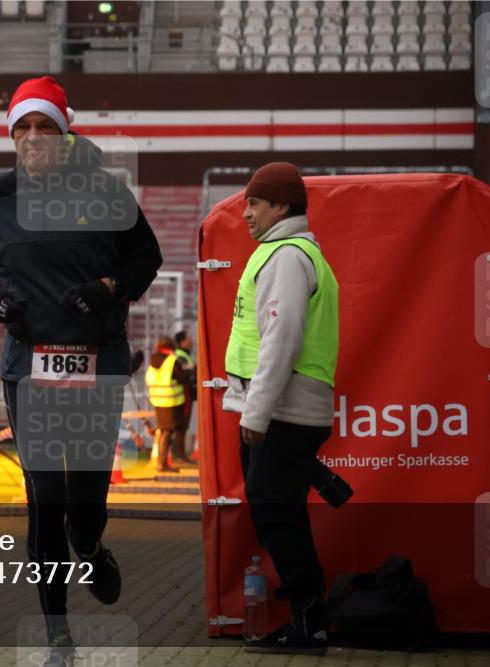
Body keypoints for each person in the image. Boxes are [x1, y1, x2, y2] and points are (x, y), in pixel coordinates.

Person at [0, 76, 162, 666]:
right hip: (29, 368)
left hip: (97, 365)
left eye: (45, 126)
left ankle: (90, 545)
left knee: (86, 502)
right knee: (45, 497)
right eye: (22, 127)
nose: (33, 137)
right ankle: (57, 632)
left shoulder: (107, 192)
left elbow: (145, 256)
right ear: (11, 136)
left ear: (65, 132)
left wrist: (109, 287)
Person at [221, 162, 339, 655]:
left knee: (276, 512)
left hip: (281, 412)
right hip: (283, 410)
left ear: (281, 206)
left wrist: (256, 413)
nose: (245, 213)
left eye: (254, 203)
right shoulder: (287, 252)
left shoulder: (287, 256)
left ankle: (309, 622)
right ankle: (308, 619)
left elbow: (281, 340)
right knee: (279, 511)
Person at [145, 336, 190, 471]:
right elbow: (182, 377)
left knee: (164, 430)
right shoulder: (171, 360)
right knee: (167, 431)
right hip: (170, 401)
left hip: (157, 400)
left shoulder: (153, 361)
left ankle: (162, 462)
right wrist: (188, 371)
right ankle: (162, 464)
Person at [173, 329, 198, 462]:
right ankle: (179, 452)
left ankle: (179, 452)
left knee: (183, 423)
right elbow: (185, 375)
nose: (191, 341)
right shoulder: (180, 357)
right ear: (182, 342)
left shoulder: (184, 356)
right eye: (188, 338)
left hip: (185, 393)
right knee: (182, 423)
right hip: (183, 394)